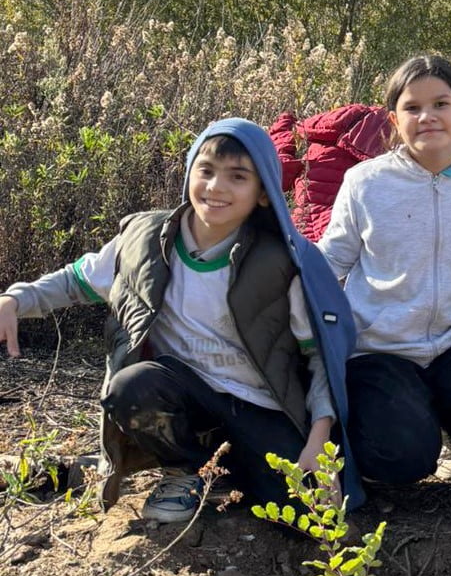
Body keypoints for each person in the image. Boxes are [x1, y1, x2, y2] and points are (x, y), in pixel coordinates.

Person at [0, 118, 363, 521]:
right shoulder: (143, 240)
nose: (216, 187)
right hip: (179, 396)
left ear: (263, 193)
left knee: (309, 517)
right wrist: (16, 299)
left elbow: (320, 357)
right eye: (205, 170)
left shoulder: (282, 263)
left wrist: (319, 436)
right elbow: (76, 281)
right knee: (133, 387)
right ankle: (184, 470)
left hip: (259, 406)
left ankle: (230, 471)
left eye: (238, 176)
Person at [318, 54, 451, 488]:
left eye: (441, 104)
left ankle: (447, 430)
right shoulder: (365, 182)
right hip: (379, 347)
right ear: (393, 120)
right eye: (412, 107)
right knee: (399, 458)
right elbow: (331, 260)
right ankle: (383, 422)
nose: (427, 116)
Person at [270, 104, 392, 242]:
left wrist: (282, 127)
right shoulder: (404, 152)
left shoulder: (357, 117)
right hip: (362, 238)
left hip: (309, 233)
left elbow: (278, 172)